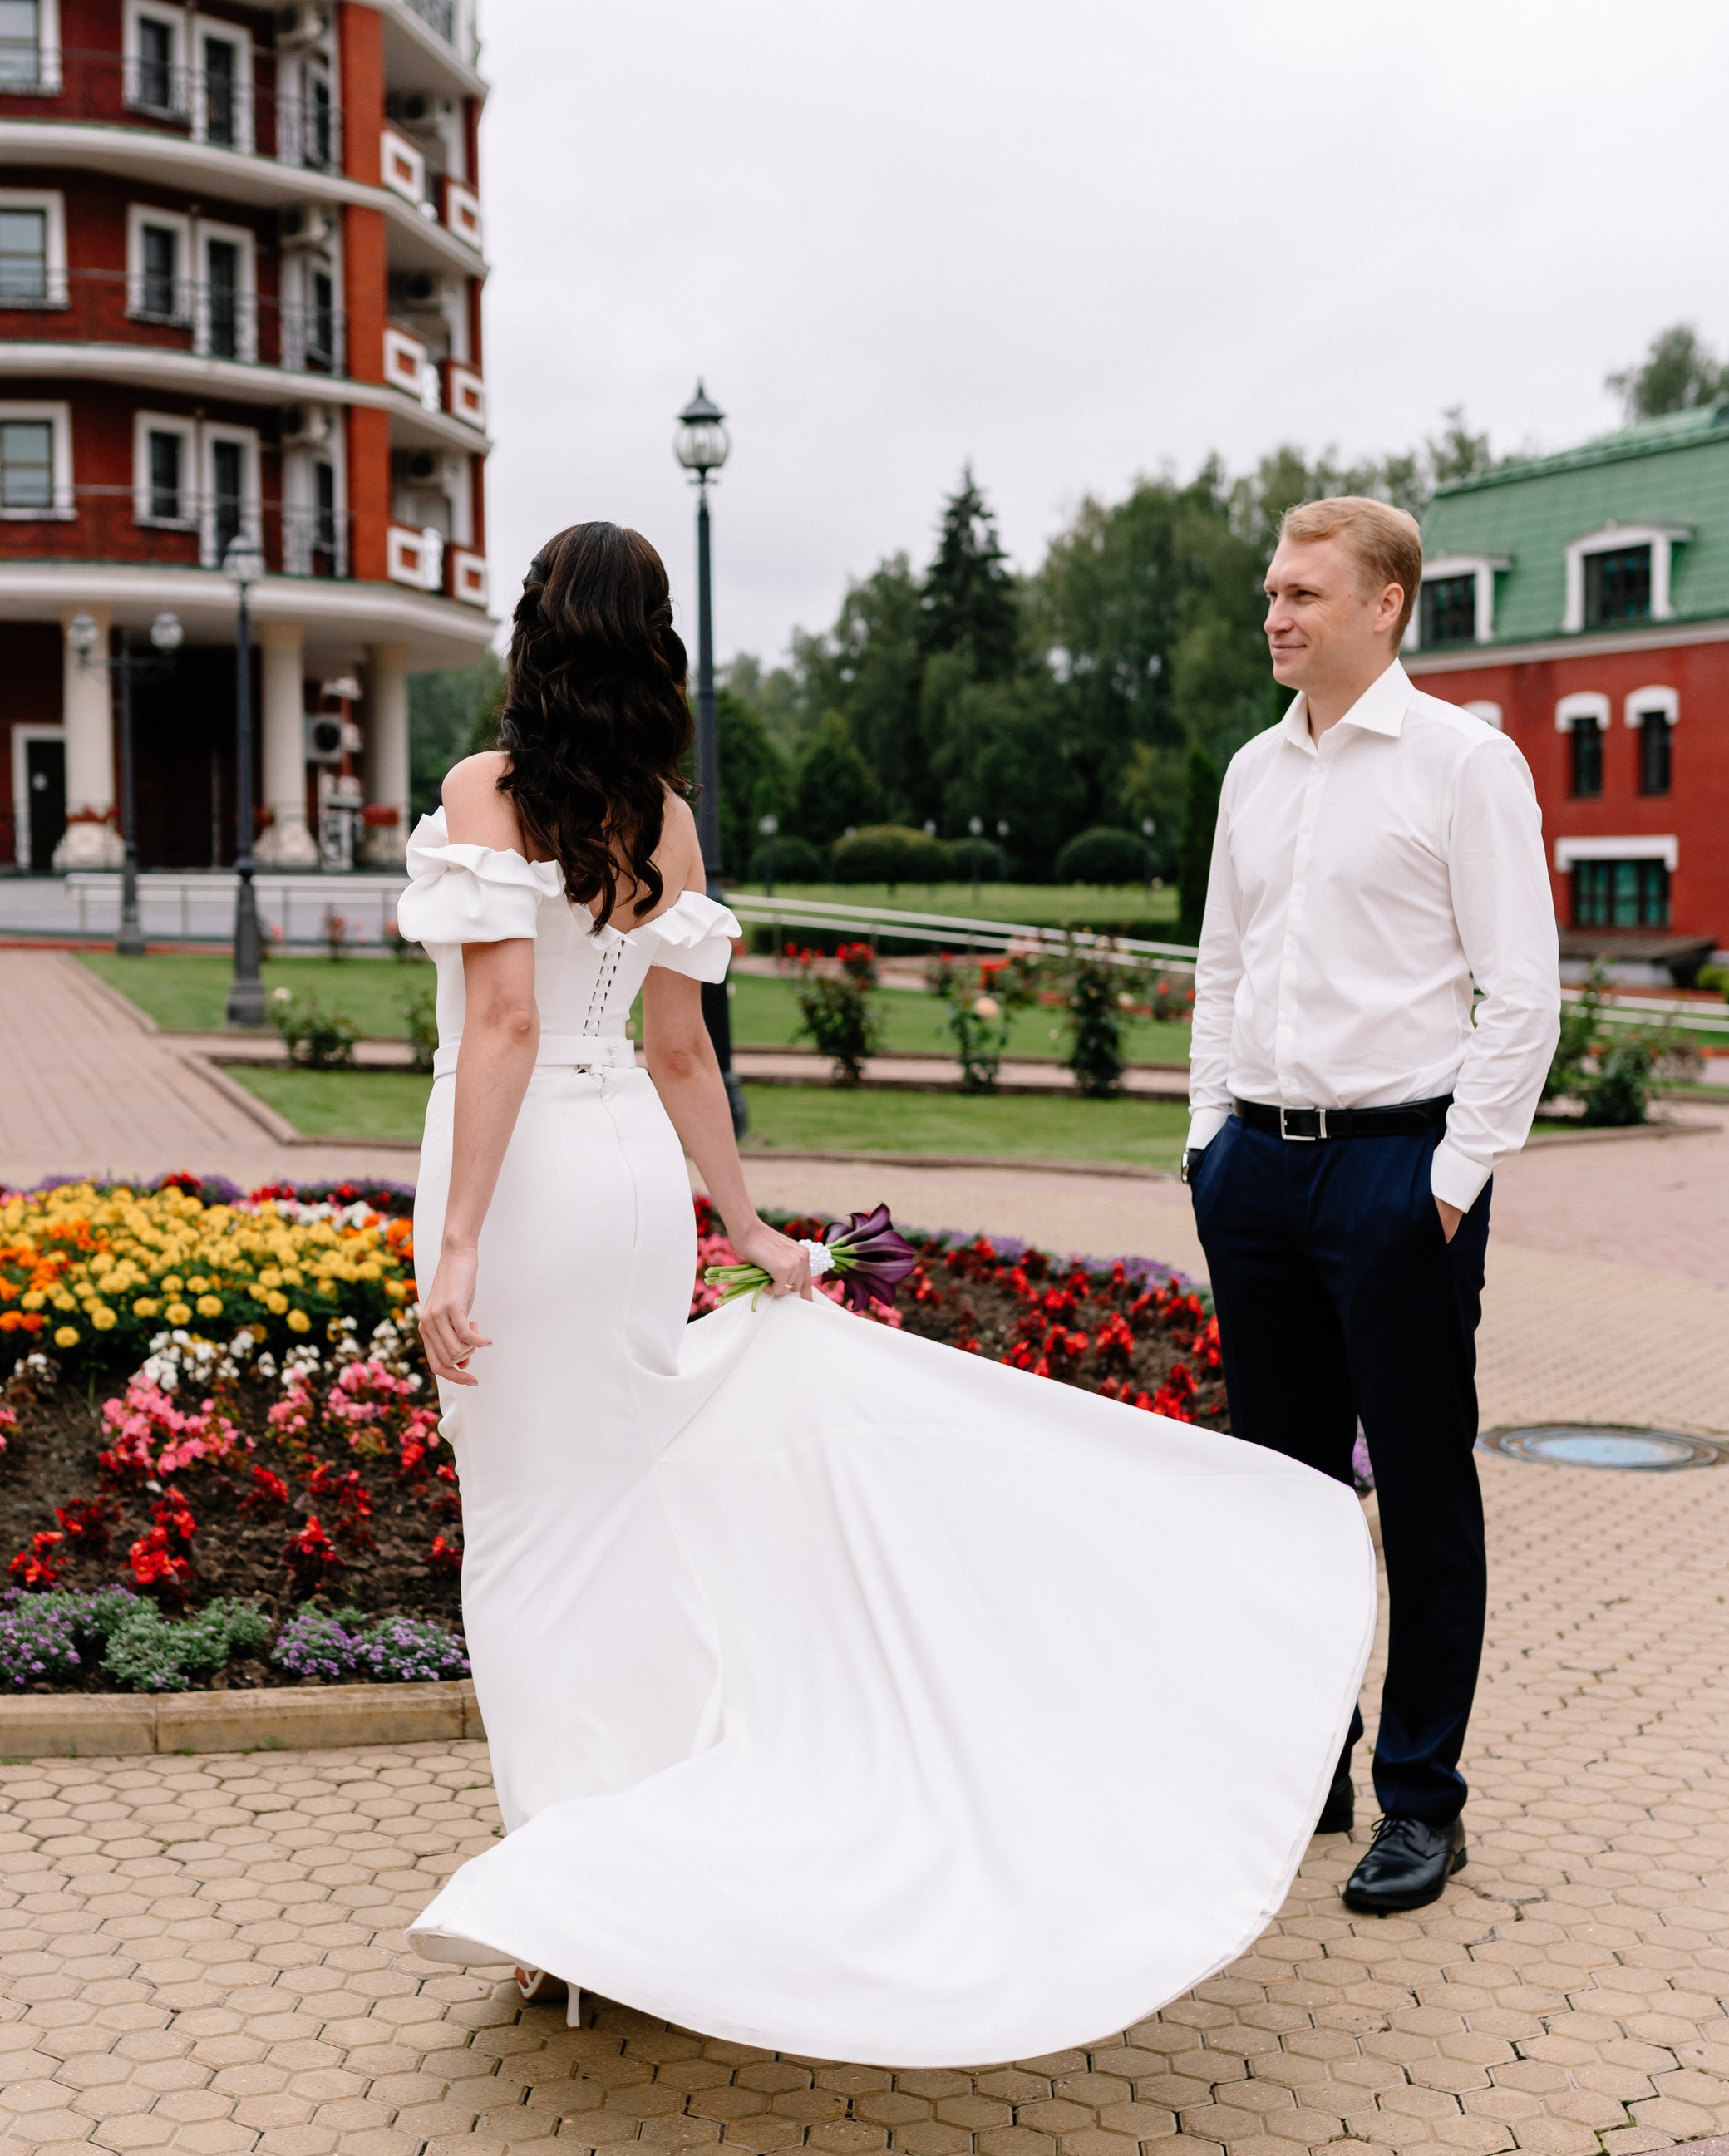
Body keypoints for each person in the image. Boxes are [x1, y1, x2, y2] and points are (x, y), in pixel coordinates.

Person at [401, 518, 1375, 2067]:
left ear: (535, 631)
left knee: (522, 1539)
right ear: (652, 647)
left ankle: (572, 1903)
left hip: (521, 1185)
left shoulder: (483, 791)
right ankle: (622, 1862)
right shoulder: (665, 818)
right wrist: (744, 1225)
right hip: (632, 1186)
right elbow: (678, 1054)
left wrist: (457, 1242)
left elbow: (506, 1026)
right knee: (621, 1525)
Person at [1183, 495, 1561, 1917]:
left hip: (1399, 1173)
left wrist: (1449, 1185)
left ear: (1385, 601)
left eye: (1303, 592)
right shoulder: (1251, 771)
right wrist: (1207, 1145)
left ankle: (1422, 1800)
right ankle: (1308, 1768)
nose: (1274, 613)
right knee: (1283, 1494)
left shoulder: (1465, 764)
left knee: (1420, 1486)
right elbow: (1221, 967)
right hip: (1259, 1172)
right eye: (1272, 591)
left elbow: (1523, 994)